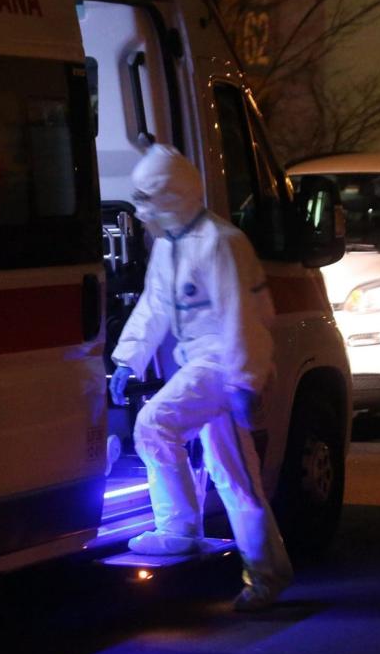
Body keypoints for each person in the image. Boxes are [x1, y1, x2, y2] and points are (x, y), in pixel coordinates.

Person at [108, 143, 293, 612]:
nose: (142, 208)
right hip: (208, 364)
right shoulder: (170, 246)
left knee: (155, 424)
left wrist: (245, 383)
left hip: (221, 363)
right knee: (235, 477)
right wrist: (128, 359)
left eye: (148, 197)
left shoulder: (220, 243)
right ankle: (267, 577)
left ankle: (180, 529)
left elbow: (241, 319)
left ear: (174, 195)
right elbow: (152, 306)